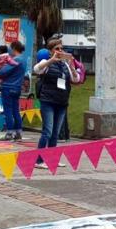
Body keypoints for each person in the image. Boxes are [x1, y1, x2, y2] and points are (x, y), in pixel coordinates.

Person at [33, 37, 81, 168]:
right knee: (47, 131)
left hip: (61, 102)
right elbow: (36, 69)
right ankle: (39, 160)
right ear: (51, 51)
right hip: (48, 101)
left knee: (55, 133)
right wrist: (51, 60)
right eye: (57, 49)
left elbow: (76, 79)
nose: (60, 51)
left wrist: (71, 66)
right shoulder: (46, 62)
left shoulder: (65, 64)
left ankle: (52, 159)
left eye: (61, 48)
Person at [0, 41, 26, 141]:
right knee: (15, 111)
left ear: (14, 48)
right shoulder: (24, 60)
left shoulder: (15, 60)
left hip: (8, 88)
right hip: (17, 88)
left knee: (8, 111)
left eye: (10, 48)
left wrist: (0, 67)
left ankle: (9, 133)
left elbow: (1, 73)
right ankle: (18, 133)